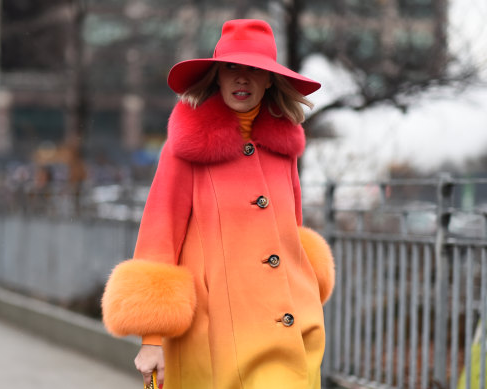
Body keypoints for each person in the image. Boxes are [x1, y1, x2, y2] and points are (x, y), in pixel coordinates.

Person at [101, 19, 335, 389]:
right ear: (217, 77)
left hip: (289, 328)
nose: (242, 78)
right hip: (214, 339)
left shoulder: (283, 149)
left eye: (253, 70)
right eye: (231, 68)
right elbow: (159, 239)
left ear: (270, 79)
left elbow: (288, 232)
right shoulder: (186, 150)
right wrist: (151, 340)